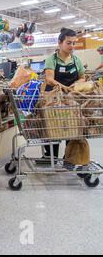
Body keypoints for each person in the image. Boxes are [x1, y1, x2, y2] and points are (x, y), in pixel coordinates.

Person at [43, 28, 86, 159]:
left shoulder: (76, 60)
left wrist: (76, 84)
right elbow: (49, 79)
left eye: (74, 43)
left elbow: (82, 77)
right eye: (69, 43)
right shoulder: (52, 59)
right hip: (54, 100)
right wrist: (64, 88)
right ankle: (52, 156)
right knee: (54, 127)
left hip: (71, 100)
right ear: (60, 43)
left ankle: (68, 157)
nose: (72, 46)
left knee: (71, 128)